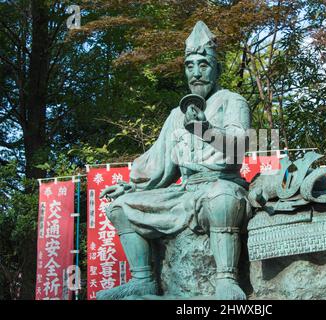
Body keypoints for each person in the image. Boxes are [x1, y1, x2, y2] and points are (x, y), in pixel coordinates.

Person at [97, 21, 252, 300]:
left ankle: (227, 279)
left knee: (221, 200)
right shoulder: (175, 115)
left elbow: (239, 148)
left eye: (203, 65)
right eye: (189, 66)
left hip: (222, 185)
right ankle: (143, 280)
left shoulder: (233, 101)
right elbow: (160, 167)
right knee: (121, 207)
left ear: (216, 68)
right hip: (184, 193)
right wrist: (133, 188)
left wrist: (205, 131)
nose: (196, 73)